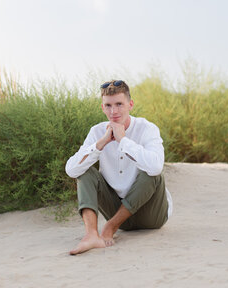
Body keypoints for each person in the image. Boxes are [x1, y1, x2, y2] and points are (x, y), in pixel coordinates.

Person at [65, 79, 173, 255]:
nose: (113, 111)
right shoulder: (97, 132)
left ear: (130, 104)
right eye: (108, 105)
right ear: (102, 108)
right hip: (115, 209)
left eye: (119, 104)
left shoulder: (147, 128)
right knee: (84, 171)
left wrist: (123, 140)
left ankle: (109, 227)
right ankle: (91, 235)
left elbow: (155, 167)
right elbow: (71, 170)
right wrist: (101, 143)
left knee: (152, 171)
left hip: (151, 215)